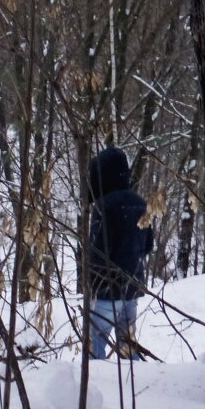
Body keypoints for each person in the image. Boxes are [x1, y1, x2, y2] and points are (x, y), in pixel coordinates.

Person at [86, 147, 153, 360]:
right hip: (132, 285)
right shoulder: (141, 203)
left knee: (95, 340)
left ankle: (94, 383)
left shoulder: (103, 206)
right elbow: (148, 245)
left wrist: (89, 281)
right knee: (128, 343)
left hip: (107, 288)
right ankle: (135, 380)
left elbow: (99, 251)